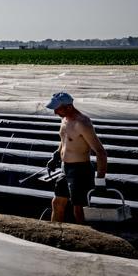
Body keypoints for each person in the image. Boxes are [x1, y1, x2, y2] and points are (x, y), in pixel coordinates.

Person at [46, 92, 107, 223]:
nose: (55, 112)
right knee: (57, 203)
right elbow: (65, 140)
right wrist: (57, 155)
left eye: (58, 108)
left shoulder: (82, 123)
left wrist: (100, 180)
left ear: (68, 107)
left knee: (79, 210)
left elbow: (100, 152)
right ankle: (54, 233)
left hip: (80, 171)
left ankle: (83, 238)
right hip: (65, 169)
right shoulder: (64, 119)